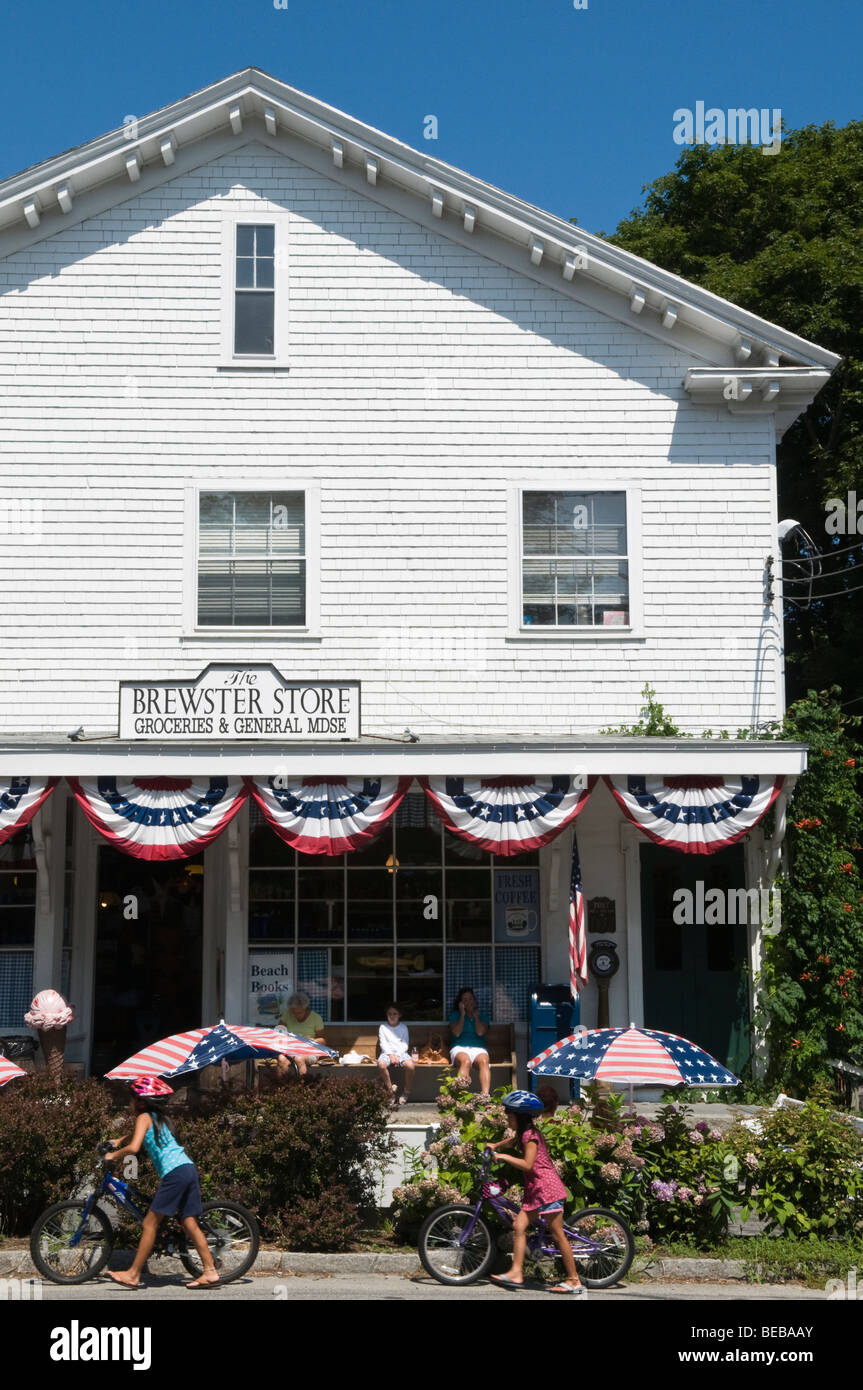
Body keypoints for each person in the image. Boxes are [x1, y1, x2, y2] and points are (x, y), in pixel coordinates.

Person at [103, 1077, 220, 1289]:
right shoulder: (157, 1117)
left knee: (149, 1223)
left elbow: (135, 1147)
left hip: (175, 1173)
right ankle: (210, 1271)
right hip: (187, 1169)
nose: (130, 1104)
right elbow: (136, 1135)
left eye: (132, 1100)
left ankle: (133, 1274)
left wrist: (114, 1155)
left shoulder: (144, 1118)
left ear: (139, 1102)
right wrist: (119, 1140)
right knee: (189, 1222)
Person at [485, 1090, 584, 1295]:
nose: (507, 1118)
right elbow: (513, 1141)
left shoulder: (531, 1136)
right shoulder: (525, 1133)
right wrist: (496, 1145)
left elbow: (528, 1164)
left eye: (509, 1115)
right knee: (519, 1225)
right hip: (537, 1189)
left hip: (547, 1189)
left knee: (558, 1236)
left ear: (519, 1117)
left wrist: (502, 1157)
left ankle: (574, 1280)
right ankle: (516, 1272)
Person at [449, 987, 491, 1096]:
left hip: (479, 1049)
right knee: (466, 1061)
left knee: (484, 1061)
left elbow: (480, 1032)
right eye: (465, 1000)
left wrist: (476, 1017)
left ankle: (485, 1096)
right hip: (460, 1048)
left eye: (471, 999)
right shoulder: (455, 1015)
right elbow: (457, 1033)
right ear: (461, 1003)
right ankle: (460, 1095)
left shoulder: (483, 1016)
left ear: (475, 1001)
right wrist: (462, 1015)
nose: (469, 1002)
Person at [276, 991, 327, 1078]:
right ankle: (281, 1088)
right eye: (294, 1012)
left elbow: (323, 1041)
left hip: (309, 1050)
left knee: (299, 1059)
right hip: (291, 1049)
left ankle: (301, 1088)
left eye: (299, 1012)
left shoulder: (315, 1018)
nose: (296, 1015)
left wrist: (313, 1041)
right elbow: (279, 1032)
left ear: (305, 1008)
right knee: (281, 1059)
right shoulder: (288, 1015)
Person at [377, 1001, 415, 1106]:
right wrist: (390, 1055)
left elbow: (405, 1044)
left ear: (399, 1015)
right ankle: (390, 1092)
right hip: (387, 1052)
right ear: (386, 1015)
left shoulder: (403, 1027)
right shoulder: (383, 1027)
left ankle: (406, 1092)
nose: (392, 1016)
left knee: (410, 1066)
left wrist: (397, 1055)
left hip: (401, 1052)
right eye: (390, 1013)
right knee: (381, 1064)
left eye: (395, 1014)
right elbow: (383, 1043)